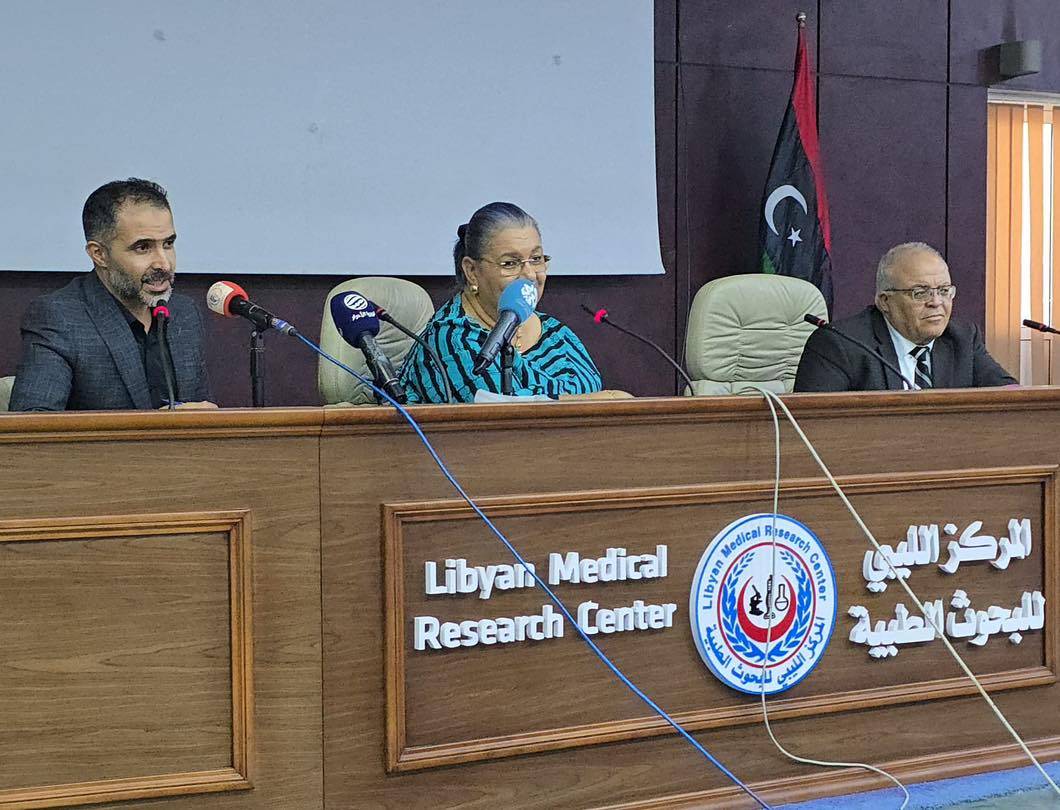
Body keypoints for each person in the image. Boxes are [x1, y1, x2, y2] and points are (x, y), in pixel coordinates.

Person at [9, 179, 214, 411]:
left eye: (168, 244)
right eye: (143, 247)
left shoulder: (184, 313)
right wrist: (155, 427)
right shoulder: (60, 318)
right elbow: (33, 422)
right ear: (99, 254)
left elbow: (202, 411)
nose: (163, 263)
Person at [400, 202, 619, 403]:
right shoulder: (450, 340)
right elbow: (501, 411)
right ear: (472, 271)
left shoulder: (555, 332)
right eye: (510, 263)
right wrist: (609, 399)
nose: (530, 275)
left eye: (536, 259)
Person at [794, 242, 1015, 392]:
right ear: (885, 301)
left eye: (944, 290)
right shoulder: (839, 345)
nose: (936, 302)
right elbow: (814, 426)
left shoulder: (962, 339)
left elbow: (1011, 396)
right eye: (920, 293)